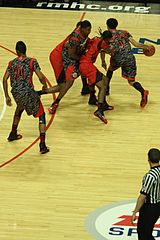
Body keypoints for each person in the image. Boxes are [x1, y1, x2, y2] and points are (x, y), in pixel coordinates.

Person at [3, 41, 49, 154]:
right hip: (28, 93)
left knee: (19, 108)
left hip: (16, 94)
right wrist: (44, 85)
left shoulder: (11, 63)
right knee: (41, 115)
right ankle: (42, 145)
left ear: (17, 51)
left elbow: (4, 79)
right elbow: (41, 76)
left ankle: (13, 134)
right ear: (25, 50)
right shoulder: (32, 61)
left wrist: (7, 96)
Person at [101, 18, 152, 108]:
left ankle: (106, 89)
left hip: (117, 58)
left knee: (110, 69)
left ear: (107, 25)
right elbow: (136, 44)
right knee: (131, 81)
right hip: (129, 58)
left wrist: (103, 61)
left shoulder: (107, 35)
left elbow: (103, 50)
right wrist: (146, 47)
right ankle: (143, 91)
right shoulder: (124, 32)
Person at [46, 20, 92, 114]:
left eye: (90, 29)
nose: (89, 31)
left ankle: (85, 87)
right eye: (87, 30)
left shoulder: (82, 32)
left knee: (83, 68)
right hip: (67, 60)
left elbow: (79, 23)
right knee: (67, 84)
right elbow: (71, 54)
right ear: (82, 29)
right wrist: (81, 59)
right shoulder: (75, 39)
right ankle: (55, 103)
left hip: (71, 57)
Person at [79, 30, 114, 124]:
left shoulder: (96, 39)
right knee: (102, 87)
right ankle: (100, 110)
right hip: (87, 65)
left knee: (105, 79)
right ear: (107, 39)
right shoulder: (103, 43)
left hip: (84, 63)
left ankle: (95, 100)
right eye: (110, 39)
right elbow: (110, 51)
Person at [131, 148, 160, 240]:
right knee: (147, 232)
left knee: (143, 234)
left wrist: (135, 212)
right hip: (158, 206)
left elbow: (142, 197)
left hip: (150, 208)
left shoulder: (150, 176)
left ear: (148, 159)